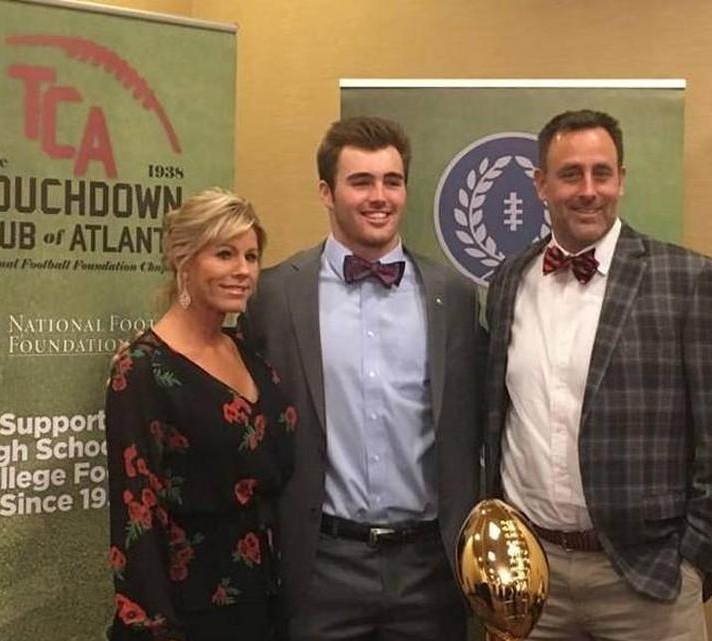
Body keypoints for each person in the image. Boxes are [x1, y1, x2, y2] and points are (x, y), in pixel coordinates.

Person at [484, 110, 712, 641]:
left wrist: (693, 560)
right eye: (570, 174)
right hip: (529, 578)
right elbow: (498, 418)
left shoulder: (688, 280)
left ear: (622, 180)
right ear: (540, 184)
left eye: (602, 173)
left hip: (647, 579)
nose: (589, 190)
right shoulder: (509, 280)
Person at [241, 116, 483, 641]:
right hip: (320, 567)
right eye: (361, 181)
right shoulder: (274, 297)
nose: (380, 196)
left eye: (391, 181)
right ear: (326, 192)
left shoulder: (455, 297)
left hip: (431, 569)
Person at [105, 189, 296, 641]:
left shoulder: (249, 354)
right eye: (224, 254)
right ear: (181, 259)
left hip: (267, 603)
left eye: (251, 256)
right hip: (189, 614)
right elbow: (136, 516)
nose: (243, 270)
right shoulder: (141, 370)